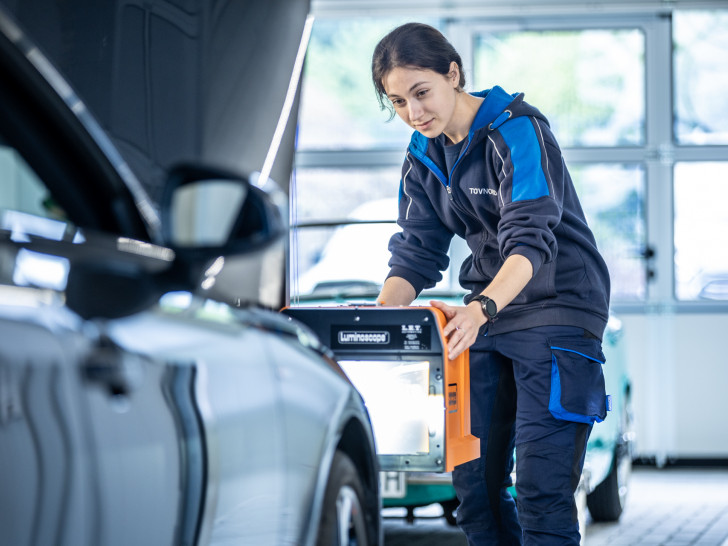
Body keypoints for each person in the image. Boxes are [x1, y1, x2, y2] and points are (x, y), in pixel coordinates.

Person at [371, 22, 611, 545]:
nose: (414, 112)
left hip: (558, 307)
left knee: (540, 490)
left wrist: (480, 308)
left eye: (421, 92)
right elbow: (416, 249)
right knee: (474, 487)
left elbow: (530, 241)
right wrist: (377, 320)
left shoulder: (516, 129)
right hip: (485, 316)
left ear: (452, 74)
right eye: (398, 101)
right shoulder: (422, 153)